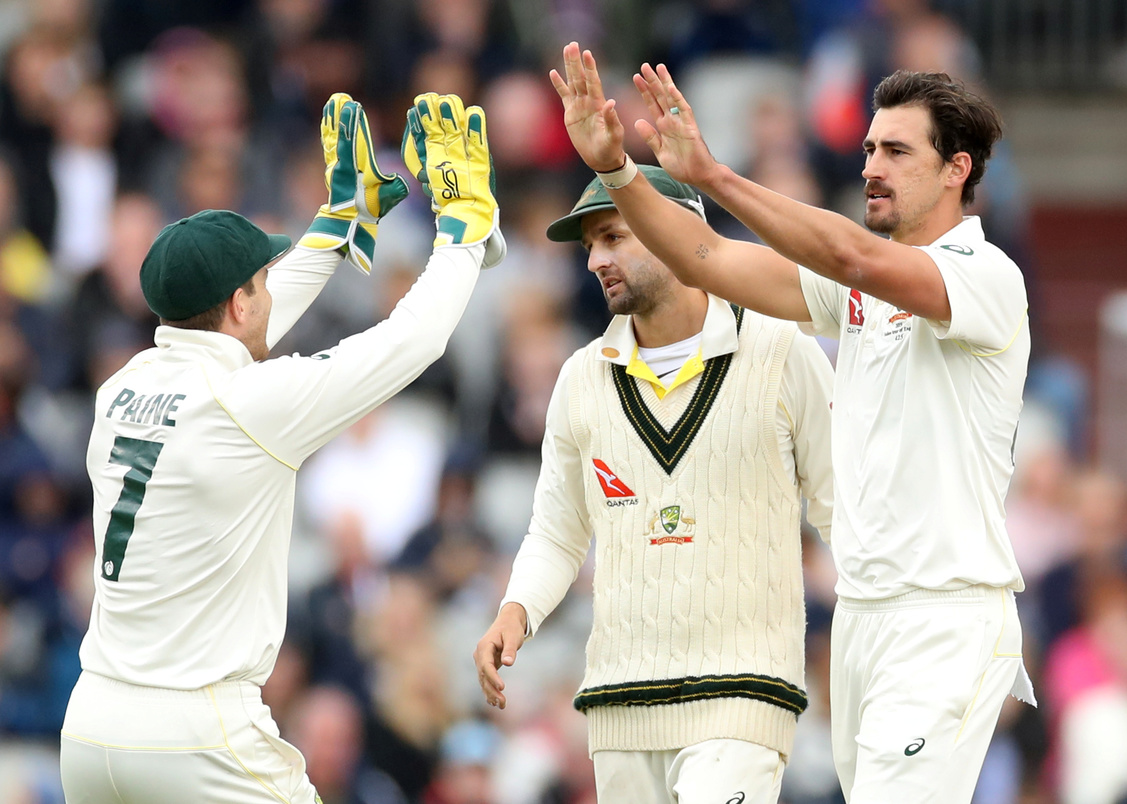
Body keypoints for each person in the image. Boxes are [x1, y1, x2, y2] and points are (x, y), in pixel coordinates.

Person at [548, 42, 1035, 804]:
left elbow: (852, 256)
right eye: (868, 149)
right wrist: (617, 171)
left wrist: (713, 176)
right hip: (862, 617)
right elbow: (706, 259)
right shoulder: (858, 293)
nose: (872, 166)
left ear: (957, 170)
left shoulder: (986, 277)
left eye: (897, 151)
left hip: (945, 616)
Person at [58, 91, 505, 804]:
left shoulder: (123, 387)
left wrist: (341, 219)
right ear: (240, 301)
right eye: (262, 279)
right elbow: (413, 339)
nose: (272, 286)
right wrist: (462, 231)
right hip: (196, 733)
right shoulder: (249, 405)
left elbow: (242, 324)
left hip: (91, 727)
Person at [473, 164, 836, 803]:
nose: (595, 261)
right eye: (591, 246)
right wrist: (517, 608)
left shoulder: (783, 350)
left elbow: (844, 508)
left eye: (613, 237)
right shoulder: (580, 378)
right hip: (618, 705)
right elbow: (558, 531)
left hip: (742, 696)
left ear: (678, 233)